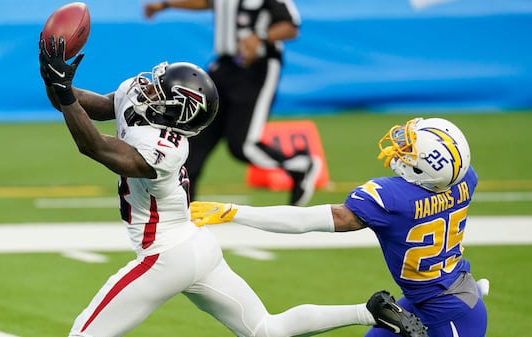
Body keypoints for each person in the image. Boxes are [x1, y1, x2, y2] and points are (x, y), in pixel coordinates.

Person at [38, 34, 429, 337]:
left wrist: (61, 89)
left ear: (178, 112)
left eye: (160, 91)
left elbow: (94, 145)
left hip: (165, 255)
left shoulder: (168, 149)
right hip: (195, 245)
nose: (148, 90)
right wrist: (56, 81)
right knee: (266, 330)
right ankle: (371, 310)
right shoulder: (141, 99)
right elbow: (94, 107)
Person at [191, 117, 488, 337]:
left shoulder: (393, 198)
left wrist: (235, 213)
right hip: (425, 299)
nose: (400, 148)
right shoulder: (464, 179)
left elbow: (304, 221)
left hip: (449, 313)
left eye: (409, 149)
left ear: (424, 168)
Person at [143, 0, 321, 206]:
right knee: (195, 137)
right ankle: (185, 210)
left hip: (256, 69)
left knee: (242, 145)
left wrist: (261, 38)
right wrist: (166, 5)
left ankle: (299, 165)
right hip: (224, 67)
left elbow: (290, 27)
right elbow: (206, 2)